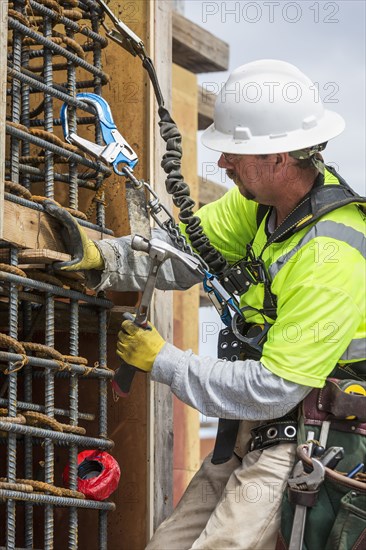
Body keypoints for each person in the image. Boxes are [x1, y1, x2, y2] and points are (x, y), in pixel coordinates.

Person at [48, 60, 366, 549]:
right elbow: (187, 253)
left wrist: (165, 362)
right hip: (252, 425)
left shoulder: (333, 253)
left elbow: (274, 388)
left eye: (235, 153)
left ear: (279, 156)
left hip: (302, 431)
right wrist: (103, 259)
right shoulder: (262, 205)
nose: (223, 165)